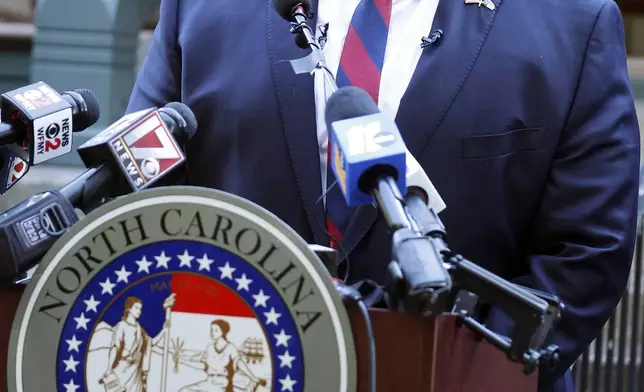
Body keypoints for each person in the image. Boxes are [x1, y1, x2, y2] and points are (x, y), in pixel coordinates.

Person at [125, 0, 641, 390]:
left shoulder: (572, 20)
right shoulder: (199, 7)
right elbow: (143, 203)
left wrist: (451, 369)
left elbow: (585, 250)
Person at [101, 294, 175, 392]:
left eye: (140, 309)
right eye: (136, 308)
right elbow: (115, 347)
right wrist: (109, 368)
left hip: (135, 372)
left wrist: (164, 330)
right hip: (122, 370)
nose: (139, 311)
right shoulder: (121, 326)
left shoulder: (140, 330)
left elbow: (151, 343)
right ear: (129, 309)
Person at [178, 319, 266, 391]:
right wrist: (183, 361)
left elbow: (239, 363)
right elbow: (203, 366)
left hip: (223, 385)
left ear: (223, 332)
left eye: (216, 330)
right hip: (208, 382)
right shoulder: (210, 348)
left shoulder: (230, 347)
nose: (212, 332)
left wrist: (253, 378)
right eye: (211, 330)